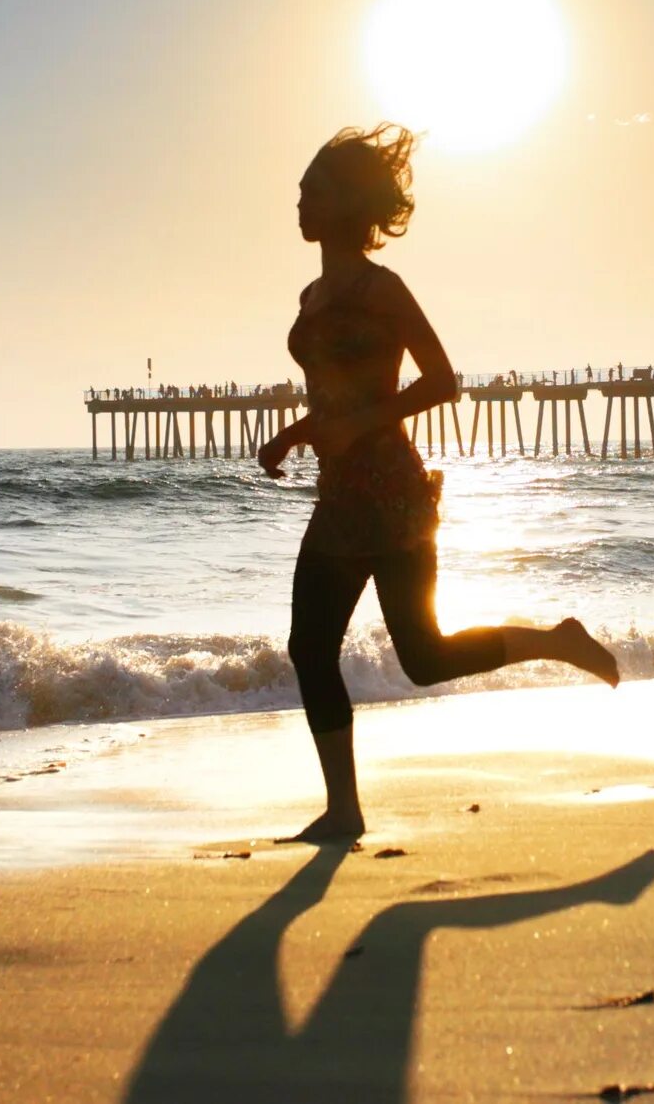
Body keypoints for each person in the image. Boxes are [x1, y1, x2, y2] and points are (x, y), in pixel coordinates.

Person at [257, 125, 619, 842]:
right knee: (309, 648)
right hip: (338, 499)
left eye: (312, 191)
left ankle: (556, 640)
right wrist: (296, 434)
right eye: (300, 190)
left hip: (392, 496)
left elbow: (443, 381)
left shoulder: (380, 288)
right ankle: (344, 809)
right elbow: (336, 396)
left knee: (422, 657)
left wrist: (357, 428)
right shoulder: (310, 294)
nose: (299, 202)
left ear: (344, 204)